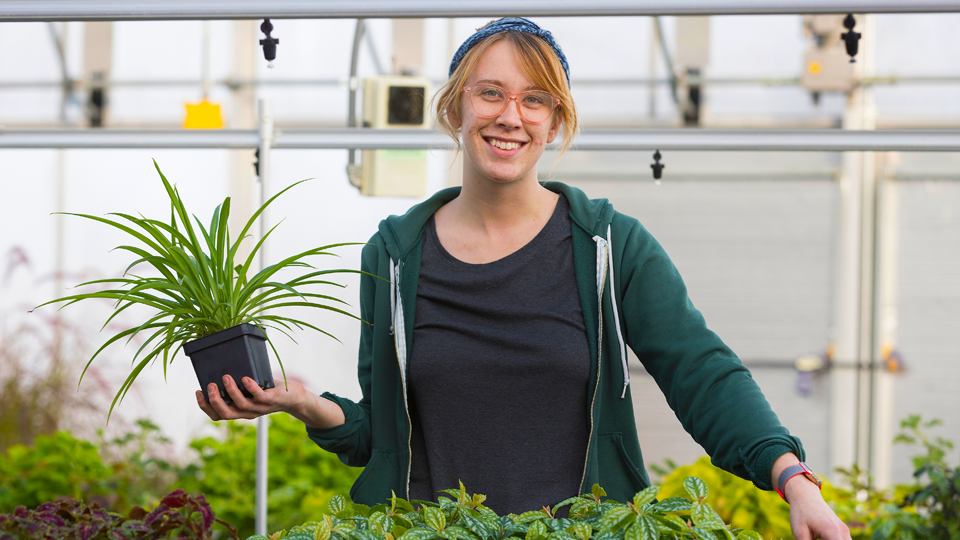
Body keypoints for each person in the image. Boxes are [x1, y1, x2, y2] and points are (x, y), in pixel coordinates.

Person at [197, 17, 851, 540]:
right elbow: (381, 435)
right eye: (491, 92)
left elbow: (701, 372)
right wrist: (307, 403)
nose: (512, 115)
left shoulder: (609, 246)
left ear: (555, 121)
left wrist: (792, 477)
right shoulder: (393, 257)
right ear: (454, 108)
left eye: (535, 99)